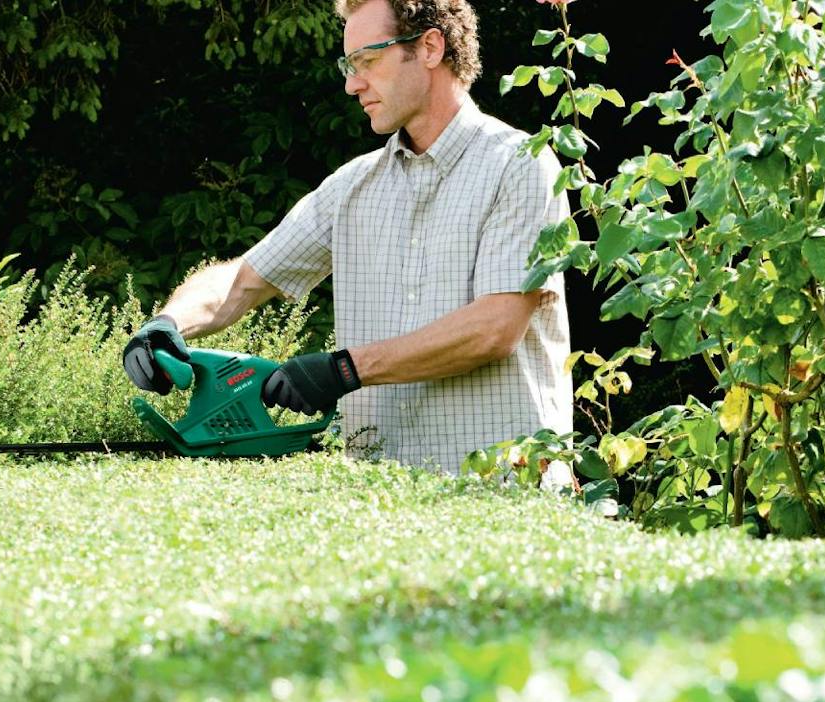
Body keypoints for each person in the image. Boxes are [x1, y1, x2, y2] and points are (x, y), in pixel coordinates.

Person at [122, 0, 572, 473]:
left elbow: (494, 329)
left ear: (430, 47)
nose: (352, 84)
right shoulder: (353, 188)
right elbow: (244, 278)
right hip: (378, 501)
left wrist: (344, 369)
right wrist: (168, 325)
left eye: (367, 62)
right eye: (349, 65)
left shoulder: (520, 165)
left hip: (507, 491)